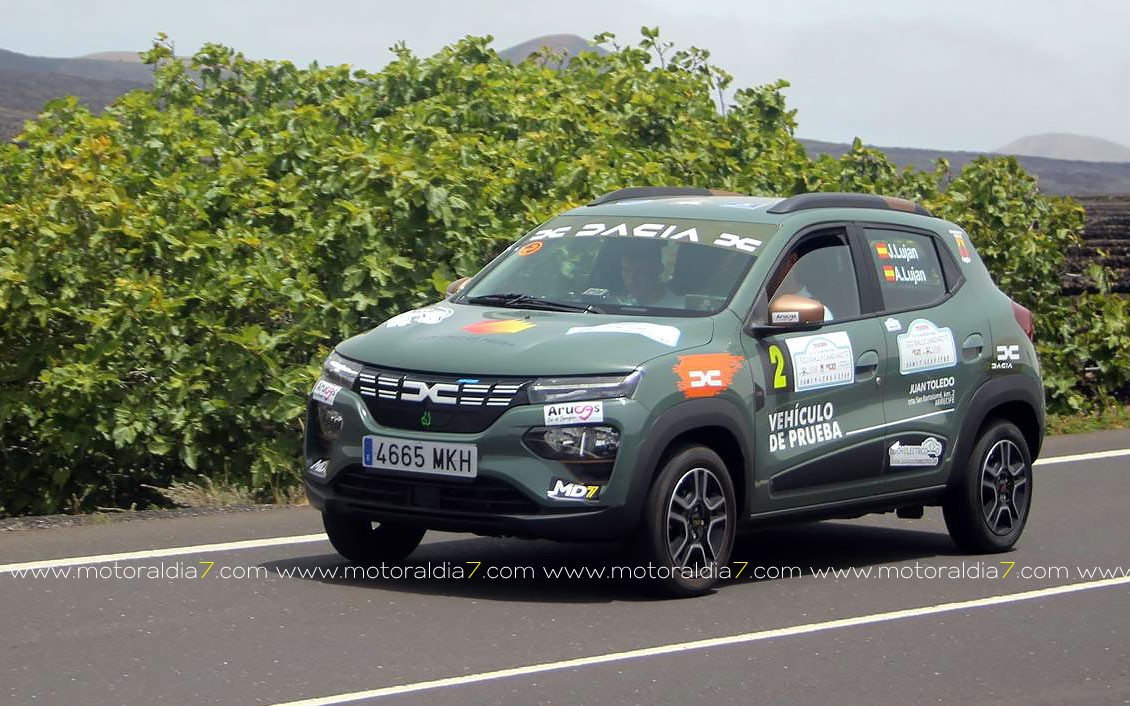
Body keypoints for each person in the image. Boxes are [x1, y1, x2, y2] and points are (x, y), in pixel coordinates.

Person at [619, 247, 684, 308]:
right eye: (626, 270)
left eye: (640, 271)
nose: (631, 280)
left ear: (658, 269)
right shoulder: (617, 307)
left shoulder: (681, 309)